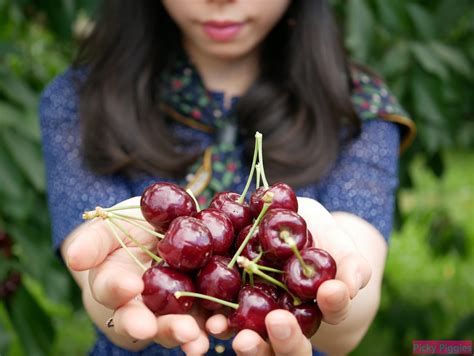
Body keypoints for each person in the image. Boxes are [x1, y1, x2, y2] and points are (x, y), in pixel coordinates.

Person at [39, 0, 416, 355]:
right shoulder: (82, 101)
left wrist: (335, 282)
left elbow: (351, 316)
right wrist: (125, 291)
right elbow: (104, 291)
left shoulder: (356, 108)